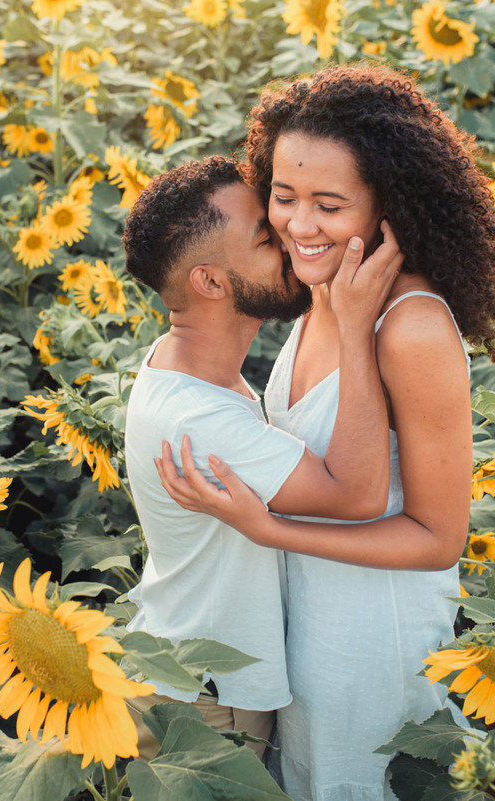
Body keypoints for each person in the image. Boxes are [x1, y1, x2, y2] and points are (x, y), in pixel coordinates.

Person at [155, 64, 495, 800]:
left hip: (369, 642)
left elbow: (436, 537)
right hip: (300, 632)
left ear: (389, 204)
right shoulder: (326, 285)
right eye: (284, 198)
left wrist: (269, 530)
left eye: (330, 203)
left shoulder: (408, 326)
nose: (299, 225)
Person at [119, 154, 404, 761]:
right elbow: (357, 496)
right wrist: (355, 328)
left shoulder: (189, 367)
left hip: (189, 674)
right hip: (205, 703)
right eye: (265, 236)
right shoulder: (200, 418)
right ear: (212, 283)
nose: (291, 238)